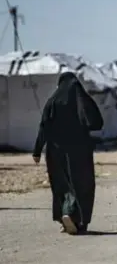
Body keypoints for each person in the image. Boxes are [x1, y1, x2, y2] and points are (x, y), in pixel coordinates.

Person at [32, 72, 104, 234]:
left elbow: (44, 126)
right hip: (79, 150)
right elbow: (97, 122)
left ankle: (64, 217)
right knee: (81, 184)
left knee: (62, 185)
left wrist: (37, 150)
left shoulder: (53, 101)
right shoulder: (81, 99)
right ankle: (76, 218)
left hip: (55, 151)